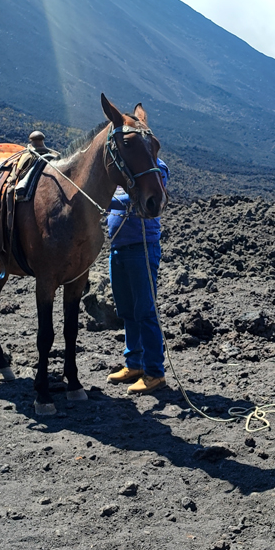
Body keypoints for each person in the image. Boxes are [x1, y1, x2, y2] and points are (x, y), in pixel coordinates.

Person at [106, 158, 169, 394]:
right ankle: (134, 364)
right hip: (119, 247)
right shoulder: (124, 170)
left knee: (145, 310)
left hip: (142, 247)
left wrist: (101, 200)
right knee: (127, 310)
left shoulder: (155, 168)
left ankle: (154, 373)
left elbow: (147, 197)